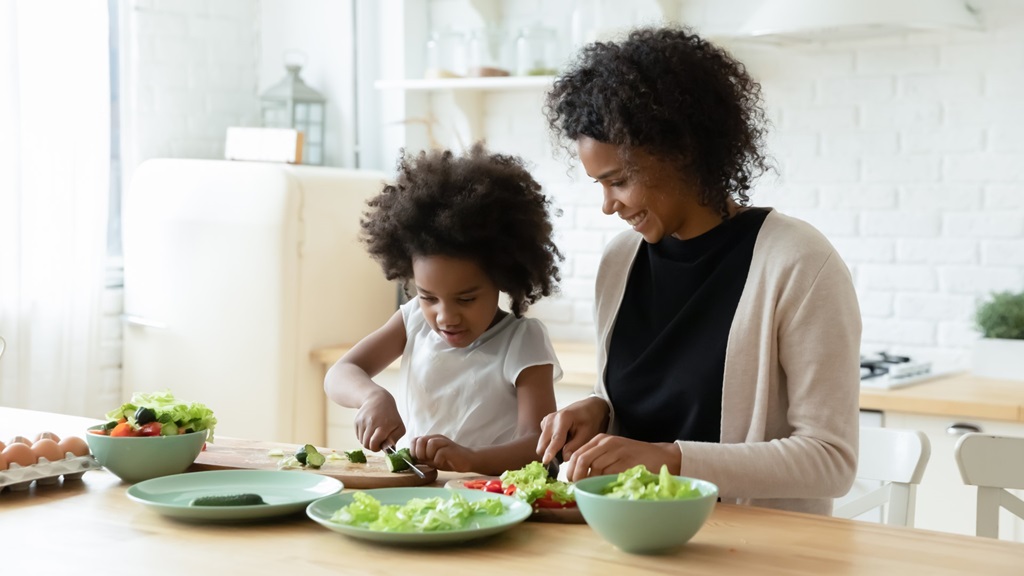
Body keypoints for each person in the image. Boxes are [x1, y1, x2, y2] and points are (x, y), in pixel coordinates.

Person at [536, 26, 862, 515]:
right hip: (629, 532)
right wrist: (599, 409)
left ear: (681, 151)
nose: (608, 205)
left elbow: (831, 460)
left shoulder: (798, 263)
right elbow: (641, 398)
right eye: (599, 185)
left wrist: (668, 459)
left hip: (753, 550)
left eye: (619, 181)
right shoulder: (619, 263)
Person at [324, 143, 564, 476]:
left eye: (466, 299)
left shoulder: (522, 341)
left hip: (491, 497)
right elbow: (340, 372)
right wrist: (370, 397)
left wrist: (472, 459)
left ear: (502, 277)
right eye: (428, 297)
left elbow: (538, 444)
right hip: (424, 493)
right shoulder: (412, 321)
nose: (445, 316)